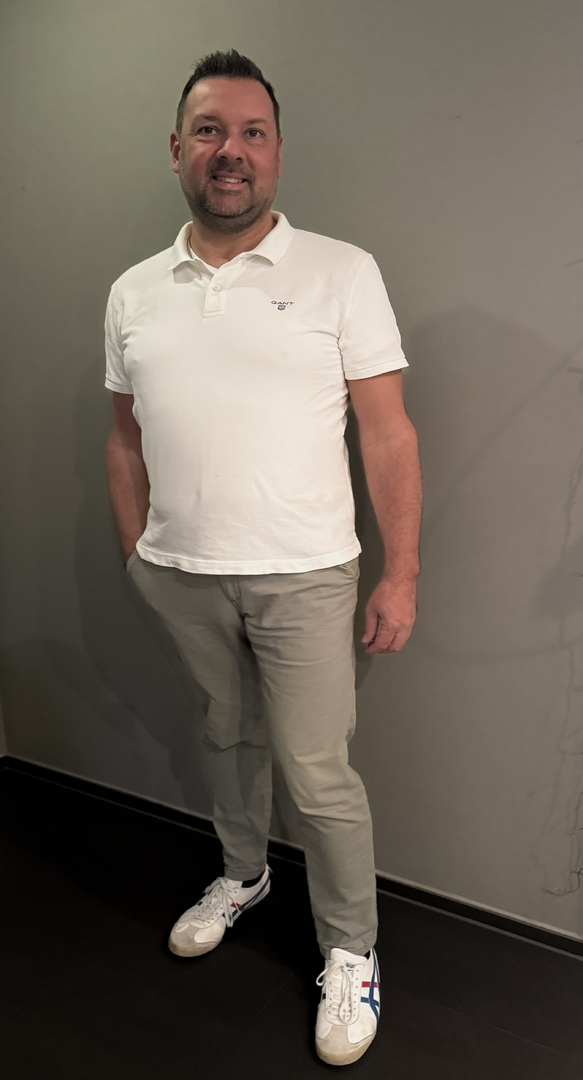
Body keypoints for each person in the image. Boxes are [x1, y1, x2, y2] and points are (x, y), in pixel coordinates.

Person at [105, 49, 422, 1067]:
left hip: (306, 575)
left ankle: (350, 950)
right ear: (177, 149)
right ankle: (242, 875)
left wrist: (400, 572)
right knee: (226, 736)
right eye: (209, 131)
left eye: (250, 133)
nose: (229, 151)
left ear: (277, 152)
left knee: (317, 774)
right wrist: (136, 553)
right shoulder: (134, 291)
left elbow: (387, 434)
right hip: (179, 576)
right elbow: (124, 437)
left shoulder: (341, 271)